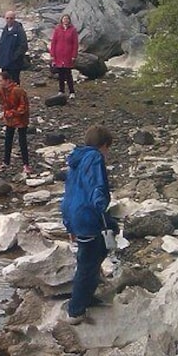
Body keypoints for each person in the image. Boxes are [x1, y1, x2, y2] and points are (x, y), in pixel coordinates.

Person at [60, 125, 118, 325]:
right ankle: (75, 311)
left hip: (74, 213)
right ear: (102, 145)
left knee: (94, 255)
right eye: (107, 148)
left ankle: (87, 294)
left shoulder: (77, 159)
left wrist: (68, 223)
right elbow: (97, 186)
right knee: (87, 263)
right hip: (87, 216)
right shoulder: (94, 158)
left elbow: (70, 191)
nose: (107, 153)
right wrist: (102, 208)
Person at [0, 70, 31, 173]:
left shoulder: (18, 91)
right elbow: (3, 103)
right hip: (10, 118)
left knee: (22, 141)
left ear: (7, 80)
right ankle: (6, 162)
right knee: (8, 140)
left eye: (0, 81)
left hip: (21, 118)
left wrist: (8, 113)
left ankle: (26, 165)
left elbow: (23, 107)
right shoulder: (1, 91)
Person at [50, 13, 79, 99]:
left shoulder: (73, 30)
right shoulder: (57, 29)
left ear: (69, 20)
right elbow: (53, 42)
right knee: (60, 74)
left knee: (68, 74)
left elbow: (75, 44)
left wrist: (74, 55)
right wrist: (52, 55)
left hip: (68, 55)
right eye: (64, 19)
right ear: (61, 20)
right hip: (59, 55)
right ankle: (61, 91)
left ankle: (72, 92)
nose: (65, 20)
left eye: (67, 19)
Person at [0, 10, 29, 85]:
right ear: (4, 18)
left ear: (14, 19)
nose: (9, 20)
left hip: (15, 63)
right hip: (4, 62)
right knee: (4, 81)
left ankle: (16, 96)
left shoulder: (19, 30)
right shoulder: (5, 30)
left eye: (11, 18)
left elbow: (24, 46)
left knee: (14, 82)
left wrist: (14, 57)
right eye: (7, 18)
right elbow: (1, 43)